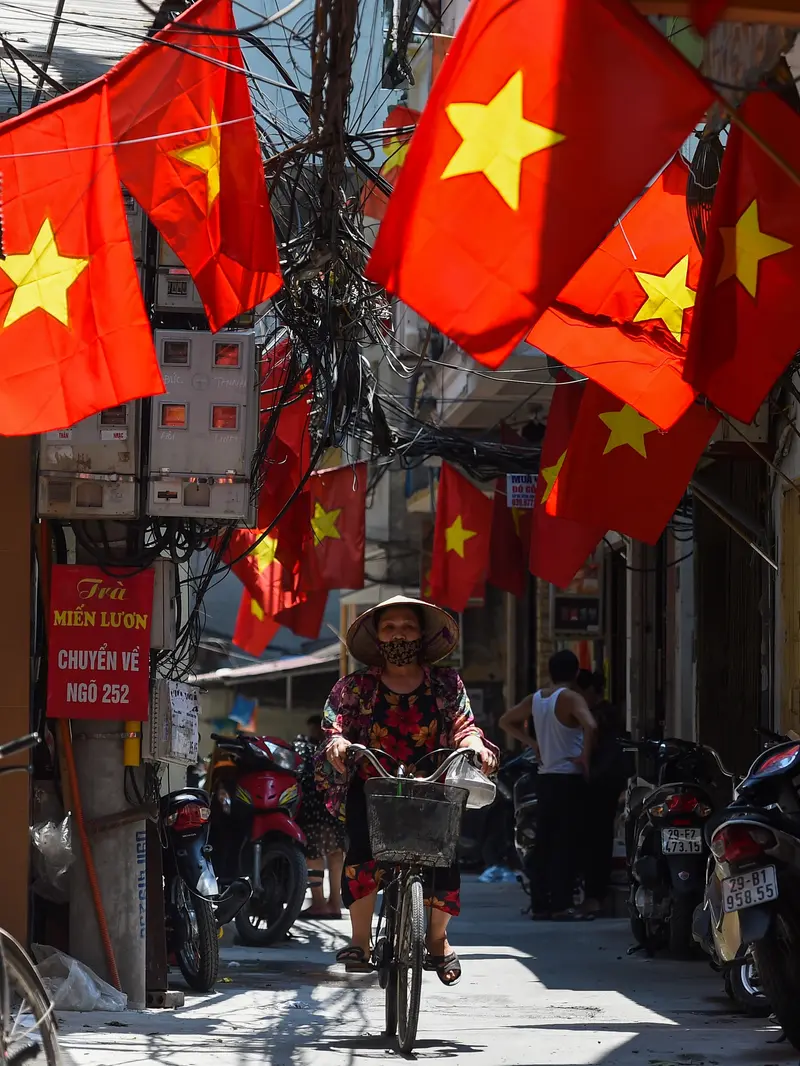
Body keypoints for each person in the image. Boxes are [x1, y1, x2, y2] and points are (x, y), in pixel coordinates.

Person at [315, 595, 498, 984]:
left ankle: (437, 940)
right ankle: (360, 942)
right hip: (373, 786)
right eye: (389, 627)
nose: (399, 634)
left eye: (408, 626)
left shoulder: (447, 683)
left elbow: (464, 726)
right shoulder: (356, 687)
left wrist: (475, 745)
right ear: (378, 637)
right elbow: (336, 726)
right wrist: (338, 743)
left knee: (445, 863)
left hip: (431, 787)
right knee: (362, 854)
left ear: (422, 635)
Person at [499, 649, 597, 921]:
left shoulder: (538, 698)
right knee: (566, 843)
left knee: (544, 844)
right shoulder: (571, 697)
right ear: (576, 673)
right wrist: (585, 758)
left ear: (549, 672)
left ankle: (541, 903)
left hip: (544, 778)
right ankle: (563, 904)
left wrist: (532, 743)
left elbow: (505, 721)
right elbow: (591, 725)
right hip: (569, 777)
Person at [576, 670, 632, 916]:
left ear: (590, 692)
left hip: (601, 782)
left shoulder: (600, 715)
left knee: (595, 840)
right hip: (604, 781)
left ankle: (594, 895)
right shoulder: (608, 713)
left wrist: (584, 763)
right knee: (596, 839)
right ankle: (593, 893)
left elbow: (592, 735)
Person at [294, 715, 346, 919]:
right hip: (336, 807)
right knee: (335, 855)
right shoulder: (338, 747)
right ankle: (334, 903)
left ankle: (319, 903)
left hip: (315, 809)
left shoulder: (306, 748)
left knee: (313, 855)